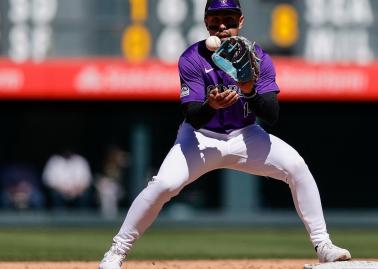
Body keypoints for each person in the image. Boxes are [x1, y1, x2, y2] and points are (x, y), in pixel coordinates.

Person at [99, 1, 351, 268]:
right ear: (206, 22)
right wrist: (211, 105)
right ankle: (117, 251)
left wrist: (249, 89)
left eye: (228, 19)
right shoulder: (192, 57)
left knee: (296, 166)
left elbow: (271, 115)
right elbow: (193, 115)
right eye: (215, 19)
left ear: (240, 21)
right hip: (200, 137)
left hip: (246, 135)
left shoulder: (258, 57)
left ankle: (323, 245)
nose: (221, 26)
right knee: (163, 185)